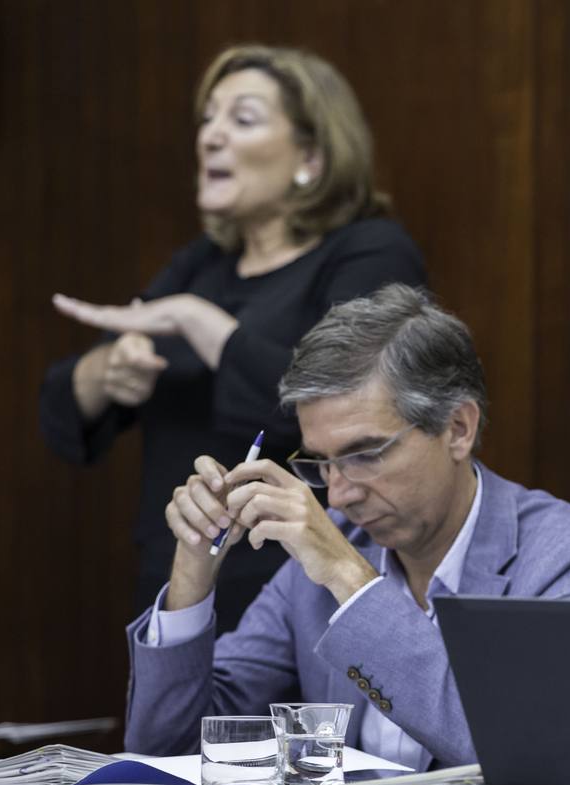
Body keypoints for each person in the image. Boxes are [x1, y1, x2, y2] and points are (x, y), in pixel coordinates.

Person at [123, 285, 570, 766]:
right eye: (320, 463)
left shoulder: (568, 558)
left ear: (457, 429)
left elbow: (527, 755)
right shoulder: (315, 569)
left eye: (364, 455)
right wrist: (194, 565)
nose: (339, 494)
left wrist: (350, 577)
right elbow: (171, 753)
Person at [39, 45, 425, 632]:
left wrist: (203, 324)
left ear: (311, 158)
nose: (210, 137)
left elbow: (342, 403)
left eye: (240, 119)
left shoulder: (369, 251)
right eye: (208, 118)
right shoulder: (202, 264)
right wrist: (106, 372)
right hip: (179, 575)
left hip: (303, 583)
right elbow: (69, 409)